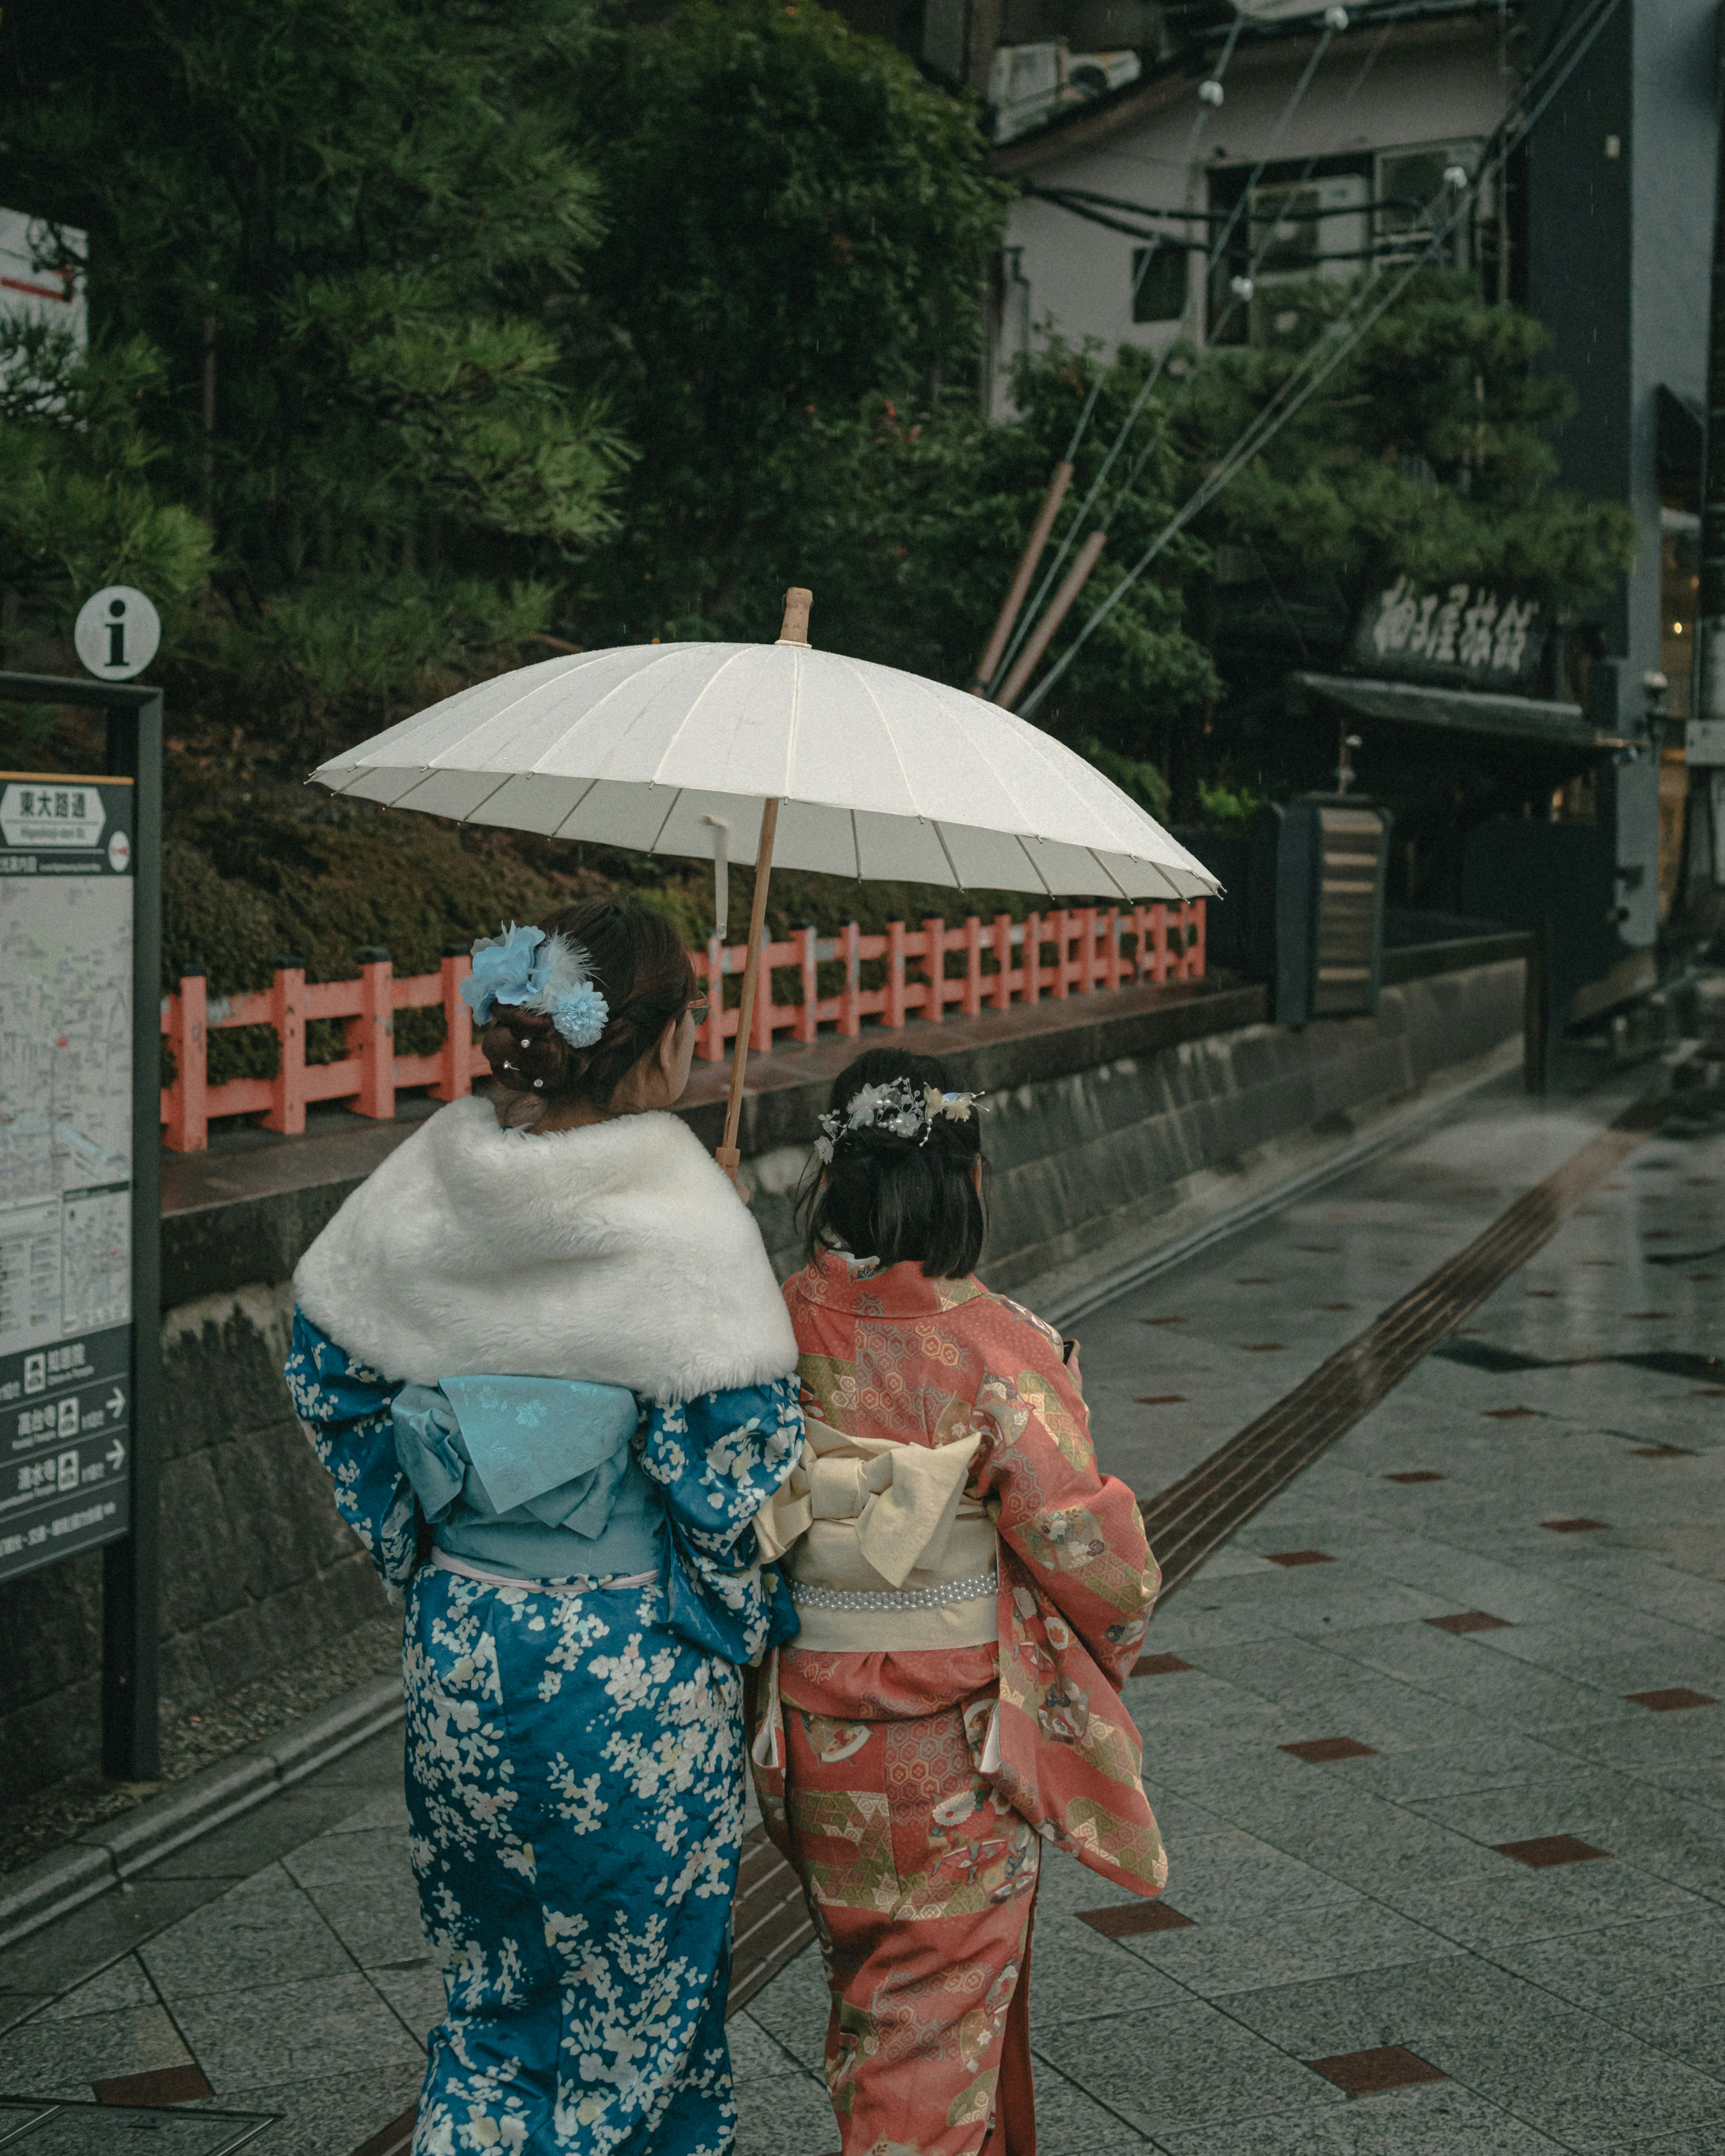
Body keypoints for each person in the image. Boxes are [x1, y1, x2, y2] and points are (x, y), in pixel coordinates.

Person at [285, 897, 804, 2156]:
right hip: (627, 1665)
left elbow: (327, 1366)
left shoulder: (427, 1185)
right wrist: (738, 1629)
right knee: (640, 2000)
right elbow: (735, 1460)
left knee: (493, 1986)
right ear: (665, 1042)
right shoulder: (683, 1214)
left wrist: (426, 1539)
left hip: (464, 1639)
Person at [751, 1047, 1166, 2156]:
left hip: (812, 1732)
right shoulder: (1001, 1349)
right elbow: (1096, 1562)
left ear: (832, 1182)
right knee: (929, 2029)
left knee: (875, 1996)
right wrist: (1107, 1643)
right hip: (953, 1742)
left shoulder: (757, 1330)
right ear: (968, 1183)